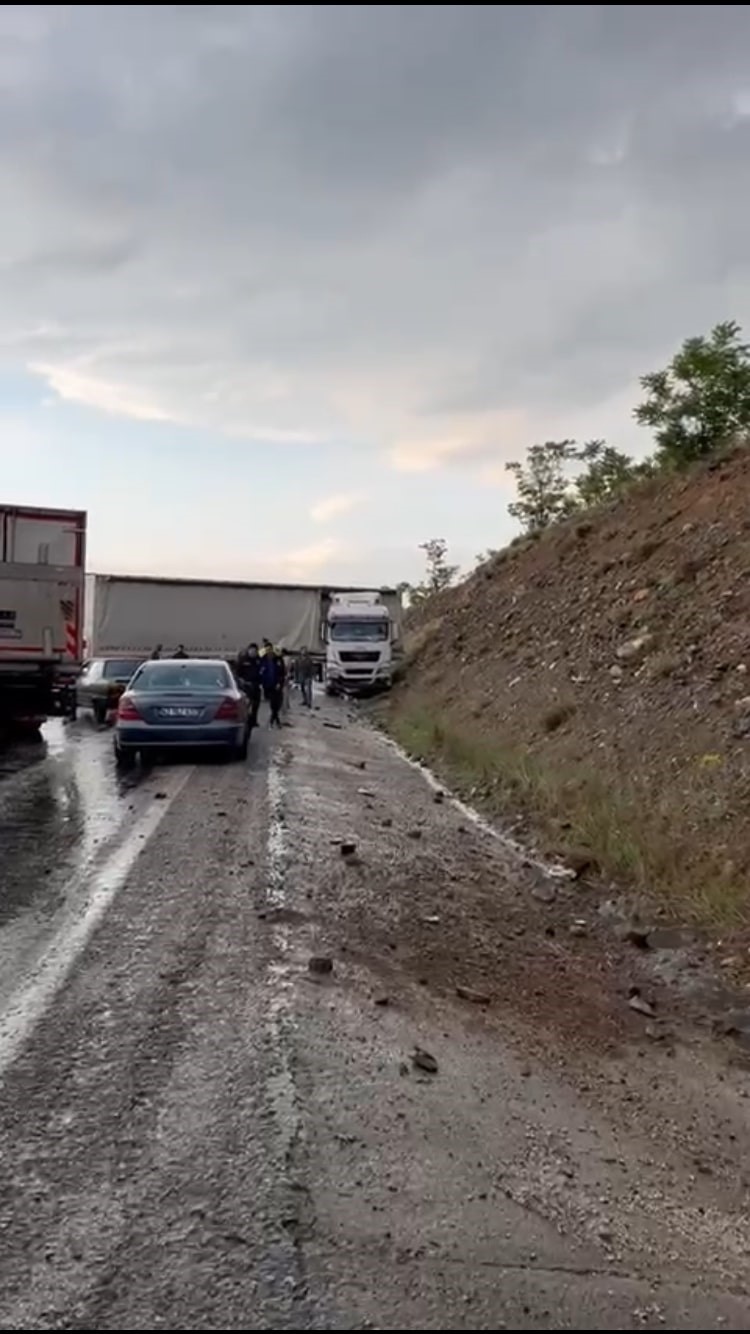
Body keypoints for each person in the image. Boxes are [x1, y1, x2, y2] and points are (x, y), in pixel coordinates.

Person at [236, 641, 262, 728]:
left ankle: (254, 720)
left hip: (256, 685)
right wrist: (241, 682)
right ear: (249, 650)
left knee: (256, 704)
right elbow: (238, 673)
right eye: (251, 650)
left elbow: (261, 672)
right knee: (246, 704)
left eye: (255, 651)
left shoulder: (258, 660)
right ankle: (245, 720)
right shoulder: (243, 660)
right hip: (246, 686)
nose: (253, 652)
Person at [260, 646, 285, 727]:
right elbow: (261, 672)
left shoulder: (278, 660)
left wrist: (279, 683)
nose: (270, 653)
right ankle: (275, 720)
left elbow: (282, 673)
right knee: (272, 703)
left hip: (276, 685)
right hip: (268, 685)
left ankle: (273, 719)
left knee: (276, 703)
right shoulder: (263, 661)